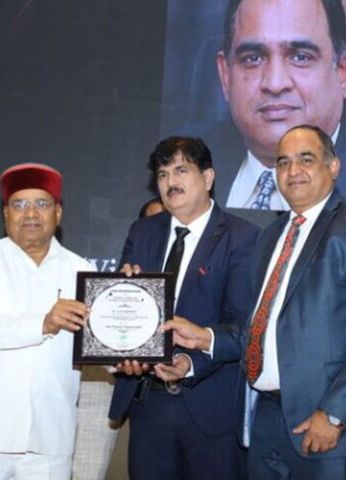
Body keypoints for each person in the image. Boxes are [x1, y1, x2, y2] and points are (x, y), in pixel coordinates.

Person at [164, 125, 346, 479]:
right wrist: (206, 338)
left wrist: (335, 413)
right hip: (266, 419)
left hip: (332, 428)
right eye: (283, 163)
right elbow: (260, 329)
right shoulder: (270, 236)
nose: (293, 171)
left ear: (333, 166)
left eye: (306, 160)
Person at [108, 136, 259, 480]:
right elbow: (123, 316)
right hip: (148, 405)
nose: (170, 182)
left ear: (207, 178)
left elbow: (243, 328)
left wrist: (190, 362)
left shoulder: (242, 237)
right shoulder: (142, 232)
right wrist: (121, 317)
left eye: (180, 170)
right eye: (162, 174)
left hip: (209, 407)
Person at [0, 163, 93, 479]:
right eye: (19, 204)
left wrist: (131, 352)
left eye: (41, 204)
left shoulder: (81, 271)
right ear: (5, 214)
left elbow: (99, 344)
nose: (30, 214)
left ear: (58, 213)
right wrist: (44, 322)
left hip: (50, 441)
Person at [209, 0, 346, 210]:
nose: (275, 84)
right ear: (225, 75)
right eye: (253, 58)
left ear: (343, 72)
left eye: (300, 57)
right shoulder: (187, 164)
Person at [72, 195, 165, 480]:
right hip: (116, 397)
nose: (159, 231)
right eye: (152, 224)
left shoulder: (196, 290)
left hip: (170, 409)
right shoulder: (111, 296)